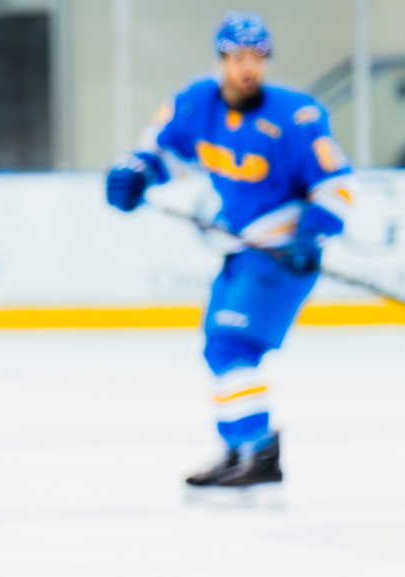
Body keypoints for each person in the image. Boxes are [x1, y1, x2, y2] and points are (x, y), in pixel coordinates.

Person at [104, 11, 354, 502]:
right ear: (220, 60)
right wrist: (135, 174)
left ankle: (259, 452)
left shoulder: (297, 116)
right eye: (237, 57)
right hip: (242, 249)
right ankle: (239, 449)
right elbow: (161, 155)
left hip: (282, 254)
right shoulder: (196, 103)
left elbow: (338, 186)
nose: (248, 67)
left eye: (258, 57)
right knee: (218, 347)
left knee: (232, 346)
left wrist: (311, 234)